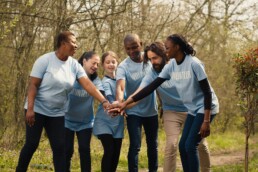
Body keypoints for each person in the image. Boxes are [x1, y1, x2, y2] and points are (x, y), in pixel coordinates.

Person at [109, 34, 219, 172]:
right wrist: (122, 105)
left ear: (168, 52)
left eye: (155, 58)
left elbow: (206, 92)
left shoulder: (191, 64)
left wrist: (206, 120)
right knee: (179, 145)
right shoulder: (164, 69)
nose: (152, 62)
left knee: (194, 144)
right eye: (150, 59)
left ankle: (206, 169)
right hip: (181, 110)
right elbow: (146, 90)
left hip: (200, 108)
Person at [16, 31, 110, 172]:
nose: (76, 45)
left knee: (60, 147)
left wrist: (104, 101)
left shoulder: (74, 65)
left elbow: (88, 85)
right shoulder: (45, 60)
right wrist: (30, 109)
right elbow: (33, 85)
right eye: (73, 42)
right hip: (37, 109)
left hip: (57, 113)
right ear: (63, 44)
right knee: (32, 144)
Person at [116, 33, 158, 172]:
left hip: (151, 111)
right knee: (135, 145)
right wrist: (120, 102)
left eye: (134, 47)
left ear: (141, 43)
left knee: (153, 145)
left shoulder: (151, 60)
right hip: (133, 111)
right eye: (128, 49)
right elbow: (121, 86)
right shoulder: (123, 66)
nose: (132, 51)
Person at [65, 51, 103, 172]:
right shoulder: (70, 75)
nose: (96, 66)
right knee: (67, 150)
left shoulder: (95, 80)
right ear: (84, 61)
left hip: (85, 122)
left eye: (97, 64)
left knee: (84, 149)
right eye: (94, 63)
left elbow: (102, 94)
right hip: (67, 120)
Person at [93, 51, 124, 172]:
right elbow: (109, 96)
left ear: (117, 63)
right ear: (103, 65)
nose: (111, 64)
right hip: (104, 122)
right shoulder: (103, 82)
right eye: (107, 62)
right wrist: (114, 103)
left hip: (118, 123)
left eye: (113, 62)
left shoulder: (121, 81)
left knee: (116, 154)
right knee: (109, 150)